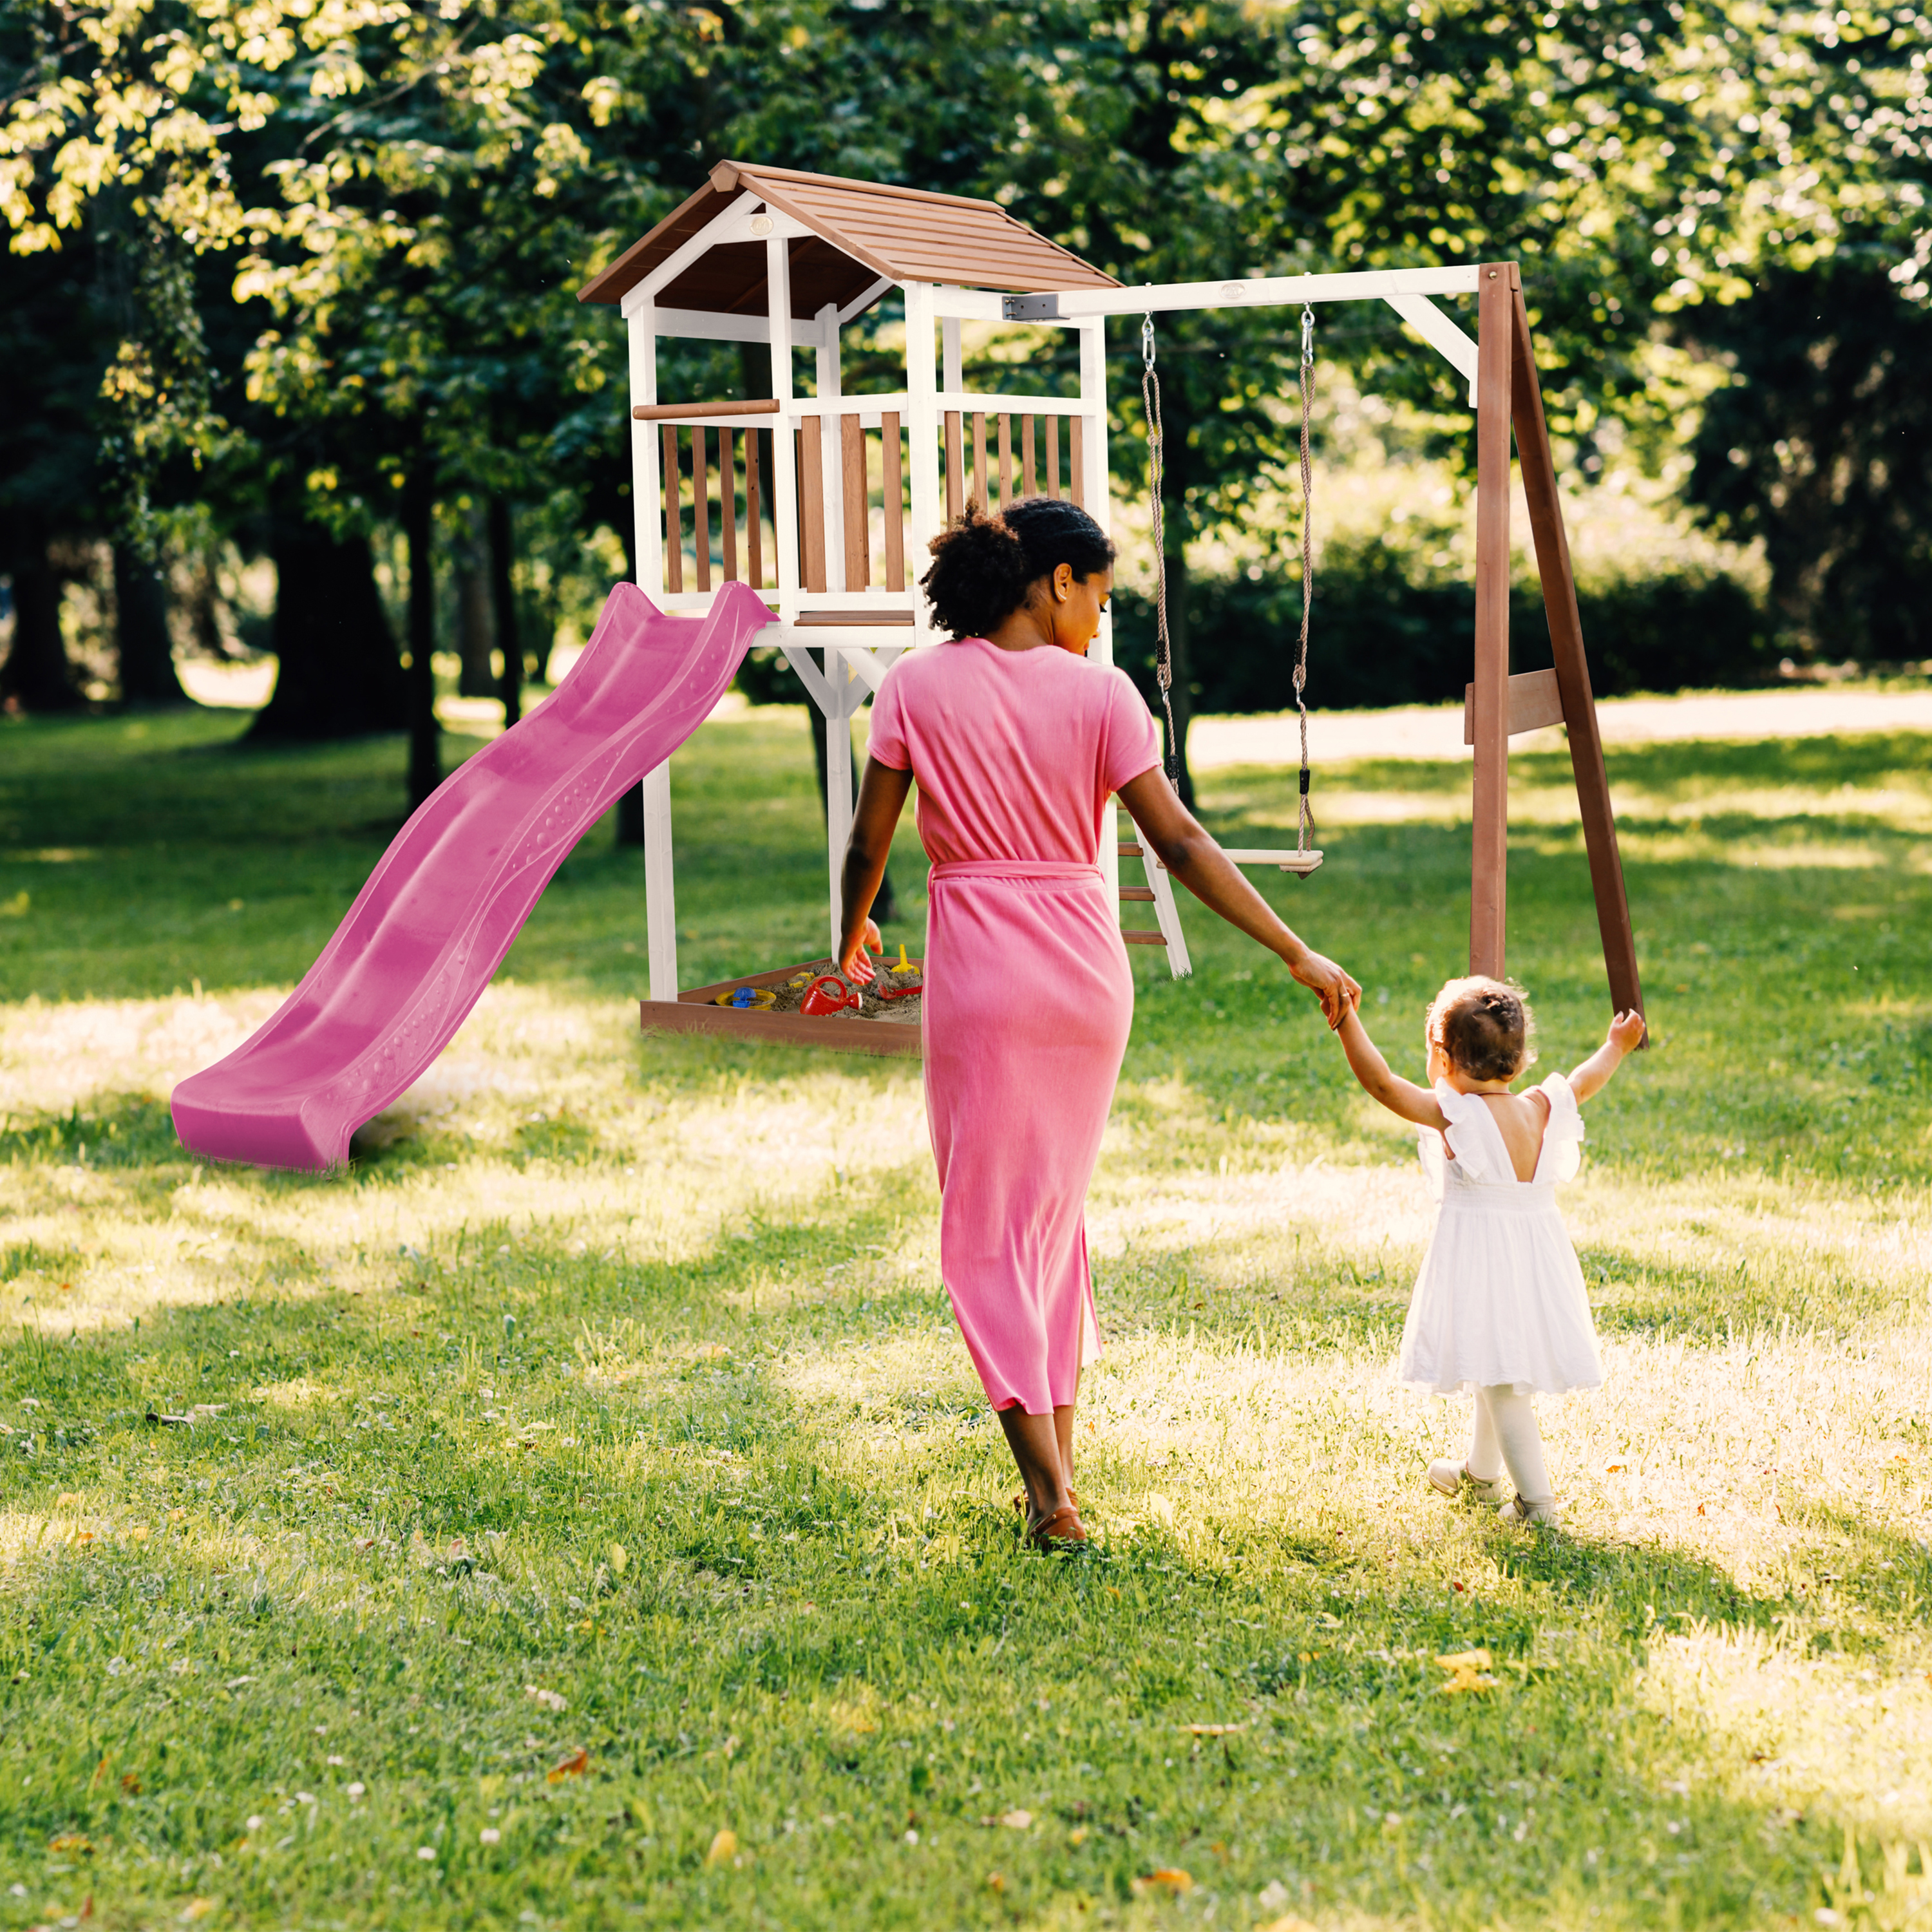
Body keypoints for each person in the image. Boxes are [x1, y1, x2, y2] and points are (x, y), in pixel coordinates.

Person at [835, 499, 1359, 1549]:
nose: (1100, 620)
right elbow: (1183, 844)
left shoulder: (914, 687)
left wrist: (847, 939)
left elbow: (867, 844)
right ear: (1057, 581)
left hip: (983, 979)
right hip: (1086, 979)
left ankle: (1050, 1498)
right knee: (1048, 1223)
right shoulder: (1105, 695)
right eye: (1101, 598)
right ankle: (1058, 1479)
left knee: (986, 1234)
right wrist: (1293, 949)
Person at [1330, 974, 1647, 1525]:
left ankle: (1537, 1505)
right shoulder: (1541, 1106)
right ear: (1519, 1061)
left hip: (1485, 1265)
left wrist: (1345, 1020)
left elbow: (1381, 1083)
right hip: (1536, 1263)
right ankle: (1480, 1475)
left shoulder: (1457, 1115)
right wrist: (1615, 1046)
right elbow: (1584, 1079)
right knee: (1491, 1362)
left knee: (1502, 1384)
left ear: (1443, 1057)